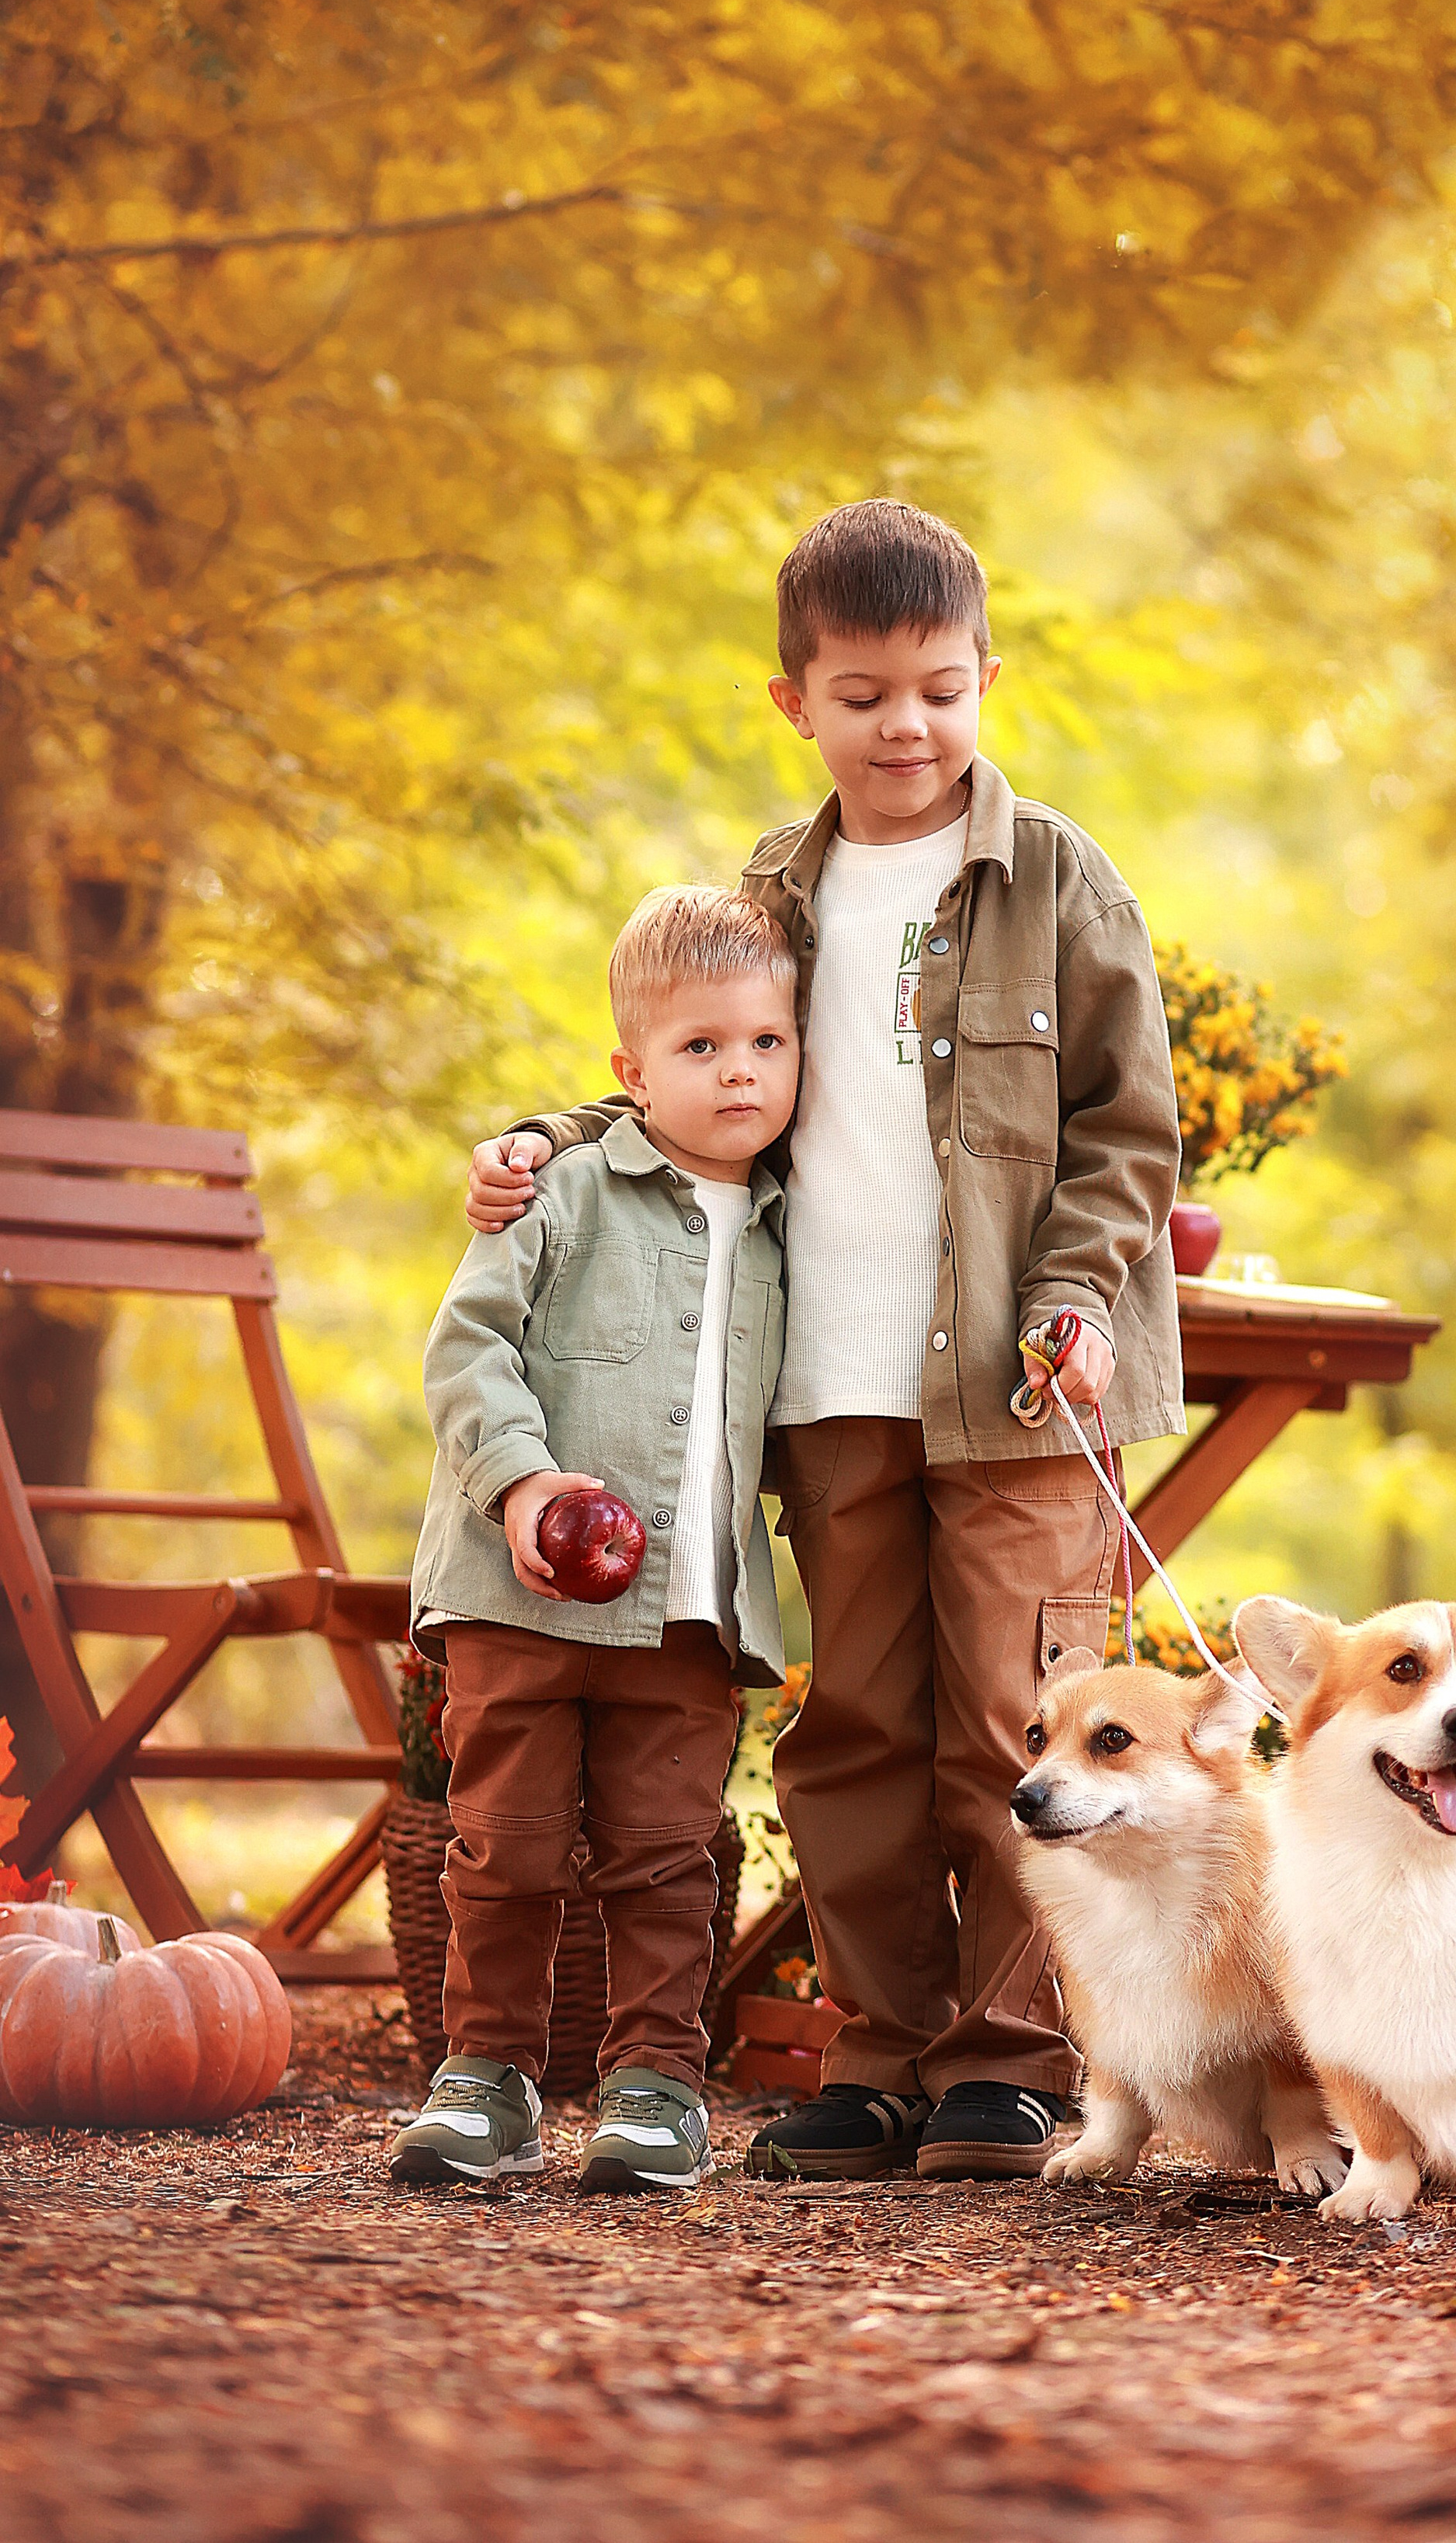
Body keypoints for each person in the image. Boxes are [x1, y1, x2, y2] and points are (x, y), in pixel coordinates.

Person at [464, 500, 1183, 2180]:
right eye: (862, 693)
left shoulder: (1060, 881)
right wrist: (542, 1145)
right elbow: (689, 1065)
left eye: (938, 689)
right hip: (822, 1383)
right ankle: (879, 2052)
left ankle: (1006, 2059)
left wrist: (1073, 1294)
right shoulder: (773, 894)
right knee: (850, 1727)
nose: (905, 725)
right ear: (794, 701)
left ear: (986, 681)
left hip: (1020, 1388)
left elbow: (1127, 1134)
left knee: (1017, 1729)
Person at [390, 885, 798, 2192]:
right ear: (630, 1071)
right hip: (518, 1600)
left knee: (667, 1856)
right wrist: (519, 1489)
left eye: (766, 1044)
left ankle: (655, 2086)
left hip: (690, 1614)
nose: (738, 1071)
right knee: (502, 1844)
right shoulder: (560, 1191)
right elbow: (465, 1351)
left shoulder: (804, 1226)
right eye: (700, 1048)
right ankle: (488, 2076)